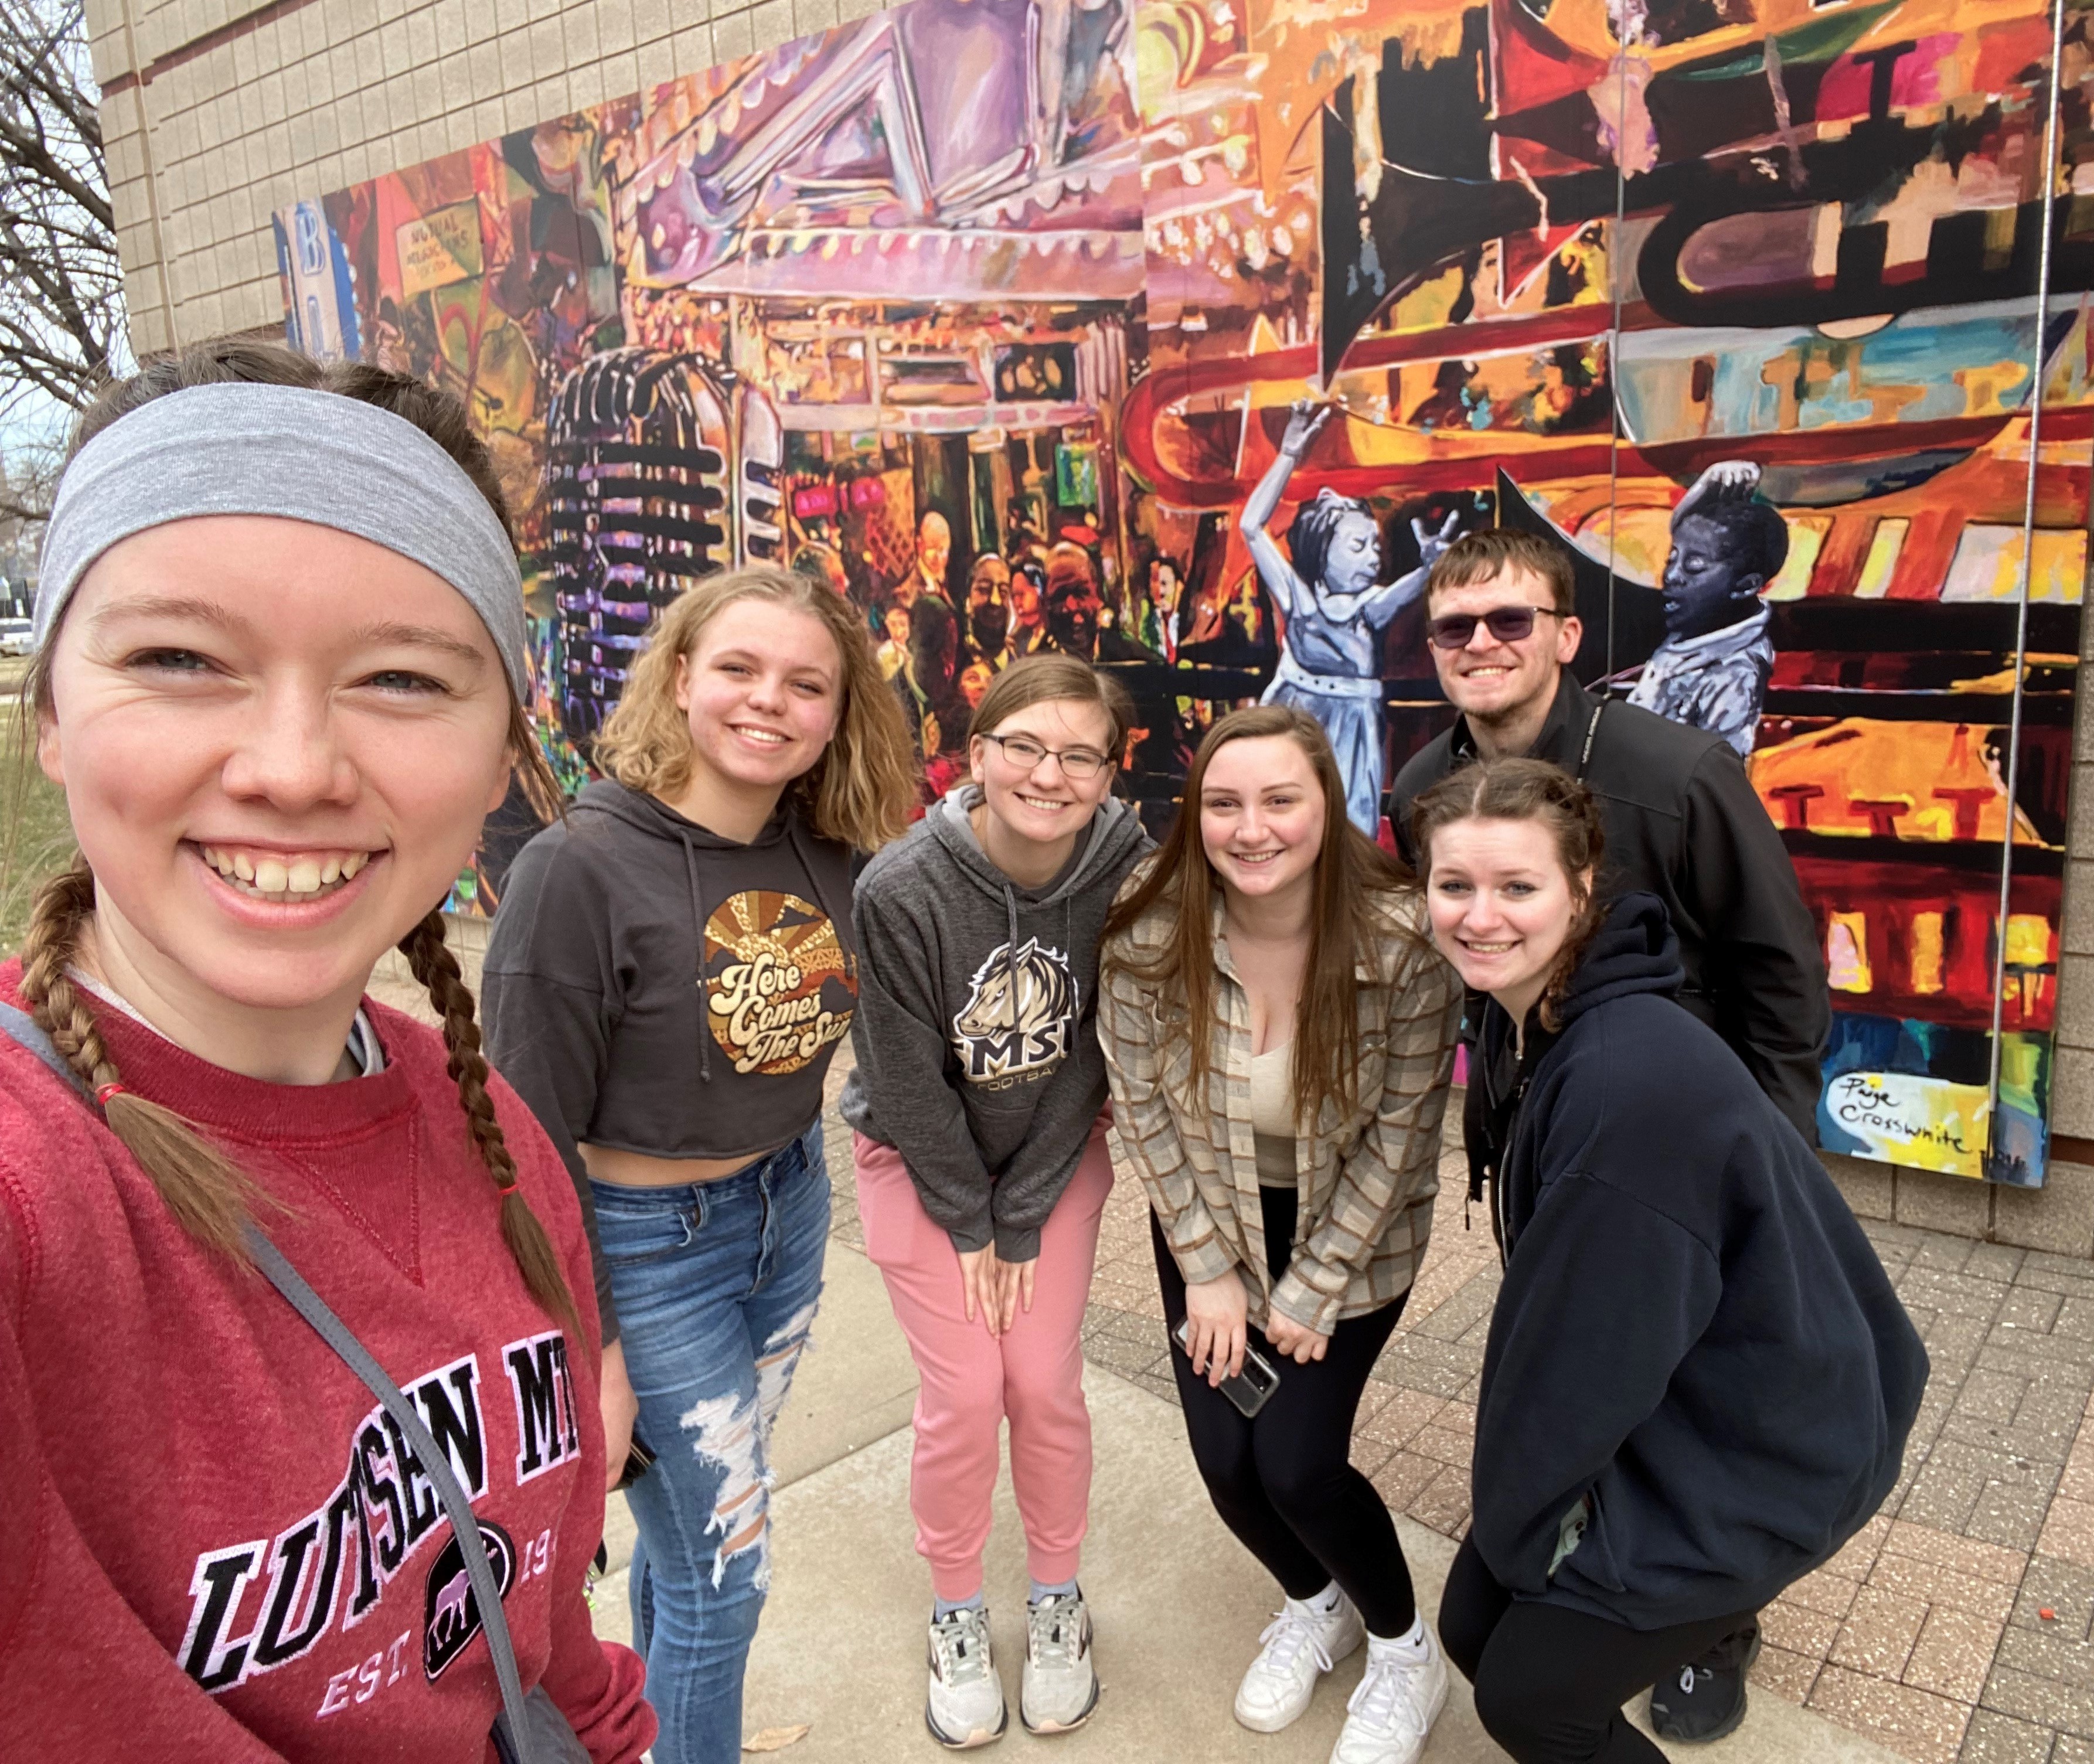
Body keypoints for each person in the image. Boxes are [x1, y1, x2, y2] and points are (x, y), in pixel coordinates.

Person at [0, 342, 653, 1758]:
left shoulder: (492, 1131)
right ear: (51, 714)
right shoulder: (30, 1191)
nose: (294, 768)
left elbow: (549, 1644)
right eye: (180, 660)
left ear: (502, 756)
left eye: (401, 678)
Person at [1389, 528, 1827, 1738]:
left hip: (1687, 1161)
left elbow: (1779, 969)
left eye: (1509, 619)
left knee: (1700, 1394)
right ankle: (1601, 1555)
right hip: (1538, 1140)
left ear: (1566, 634)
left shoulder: (1674, 772)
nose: (1481, 643)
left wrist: (1767, 1162)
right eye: (1454, 625)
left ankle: (1713, 1621)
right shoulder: (1422, 781)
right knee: (1596, 1367)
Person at [482, 565, 915, 1763]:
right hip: (643, 1251)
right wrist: (597, 1344)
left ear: (837, 710)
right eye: (738, 667)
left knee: (685, 1542)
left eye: (806, 684)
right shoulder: (574, 869)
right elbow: (521, 1138)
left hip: (787, 1212)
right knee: (726, 1577)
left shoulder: (829, 849)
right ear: (679, 678)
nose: (770, 700)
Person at [1409, 758, 1926, 1763]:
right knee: (1476, 1625)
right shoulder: (1539, 1019)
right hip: (1698, 1394)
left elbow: (1584, 1357)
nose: (1479, 916)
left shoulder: (1620, 1087)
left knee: (1529, 1699)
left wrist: (1524, 1527)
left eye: (1516, 886)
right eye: (1453, 884)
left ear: (1580, 889)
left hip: (1768, 1447)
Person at [1099, 706, 1461, 1764]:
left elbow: (1401, 1138)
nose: (1249, 828)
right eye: (1222, 803)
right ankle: (1316, 1602)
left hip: (1348, 1234)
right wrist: (1204, 1265)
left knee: (1298, 1467)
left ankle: (1404, 1649)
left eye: (1278, 800)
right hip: (1208, 1224)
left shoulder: (1403, 940)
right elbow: (1142, 1106)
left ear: (1325, 805)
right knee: (1227, 1467)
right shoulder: (1148, 925)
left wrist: (1312, 1285)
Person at [842, 654, 1152, 1747]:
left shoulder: (1127, 871)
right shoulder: (899, 889)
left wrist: (1016, 1215)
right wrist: (968, 1219)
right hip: (919, 1165)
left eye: (1078, 755)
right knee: (968, 1393)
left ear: (1109, 774)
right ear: (975, 755)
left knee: (1045, 1386)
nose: (1048, 774)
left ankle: (1057, 1597)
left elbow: (1091, 1056)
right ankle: (957, 1609)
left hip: (1051, 1163)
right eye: (1023, 745)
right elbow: (902, 1076)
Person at [1243, 400, 1459, 835]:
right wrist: (1288, 455)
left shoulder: (1369, 607)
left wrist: (1427, 569)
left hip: (1354, 727)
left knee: (1349, 830)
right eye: (1357, 547)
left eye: (1374, 546)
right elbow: (1252, 526)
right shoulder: (1299, 601)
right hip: (1295, 715)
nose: (1372, 558)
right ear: (1322, 549)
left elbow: (1400, 594)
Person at [1621, 461, 1786, 758]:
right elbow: (1686, 529)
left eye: (1694, 566)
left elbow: (1717, 773)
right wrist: (1703, 491)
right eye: (1672, 558)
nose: (1671, 575)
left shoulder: (1732, 676)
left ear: (1745, 586)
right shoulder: (1700, 629)